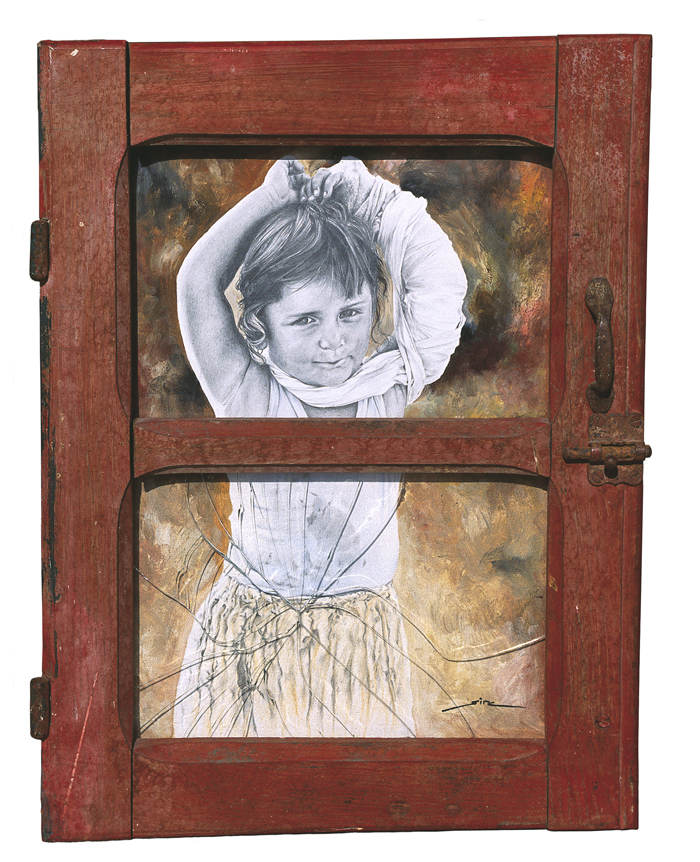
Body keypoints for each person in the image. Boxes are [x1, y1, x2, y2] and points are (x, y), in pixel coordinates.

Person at [172, 157, 469, 737]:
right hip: (249, 641)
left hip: (359, 645)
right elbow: (195, 283)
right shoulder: (246, 391)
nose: (334, 340)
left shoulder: (386, 387)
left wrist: (364, 197)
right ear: (260, 326)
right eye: (306, 320)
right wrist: (268, 200)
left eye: (350, 313)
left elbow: (440, 282)